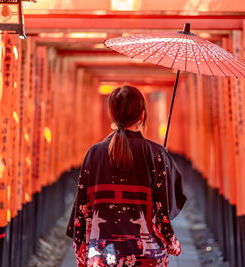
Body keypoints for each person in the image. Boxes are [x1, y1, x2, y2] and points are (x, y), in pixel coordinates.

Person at [66, 85, 186, 266]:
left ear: (112, 115)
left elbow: (83, 208)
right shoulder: (156, 153)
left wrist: (82, 251)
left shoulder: (94, 153)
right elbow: (166, 206)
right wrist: (171, 242)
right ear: (142, 114)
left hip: (102, 256)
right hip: (147, 257)